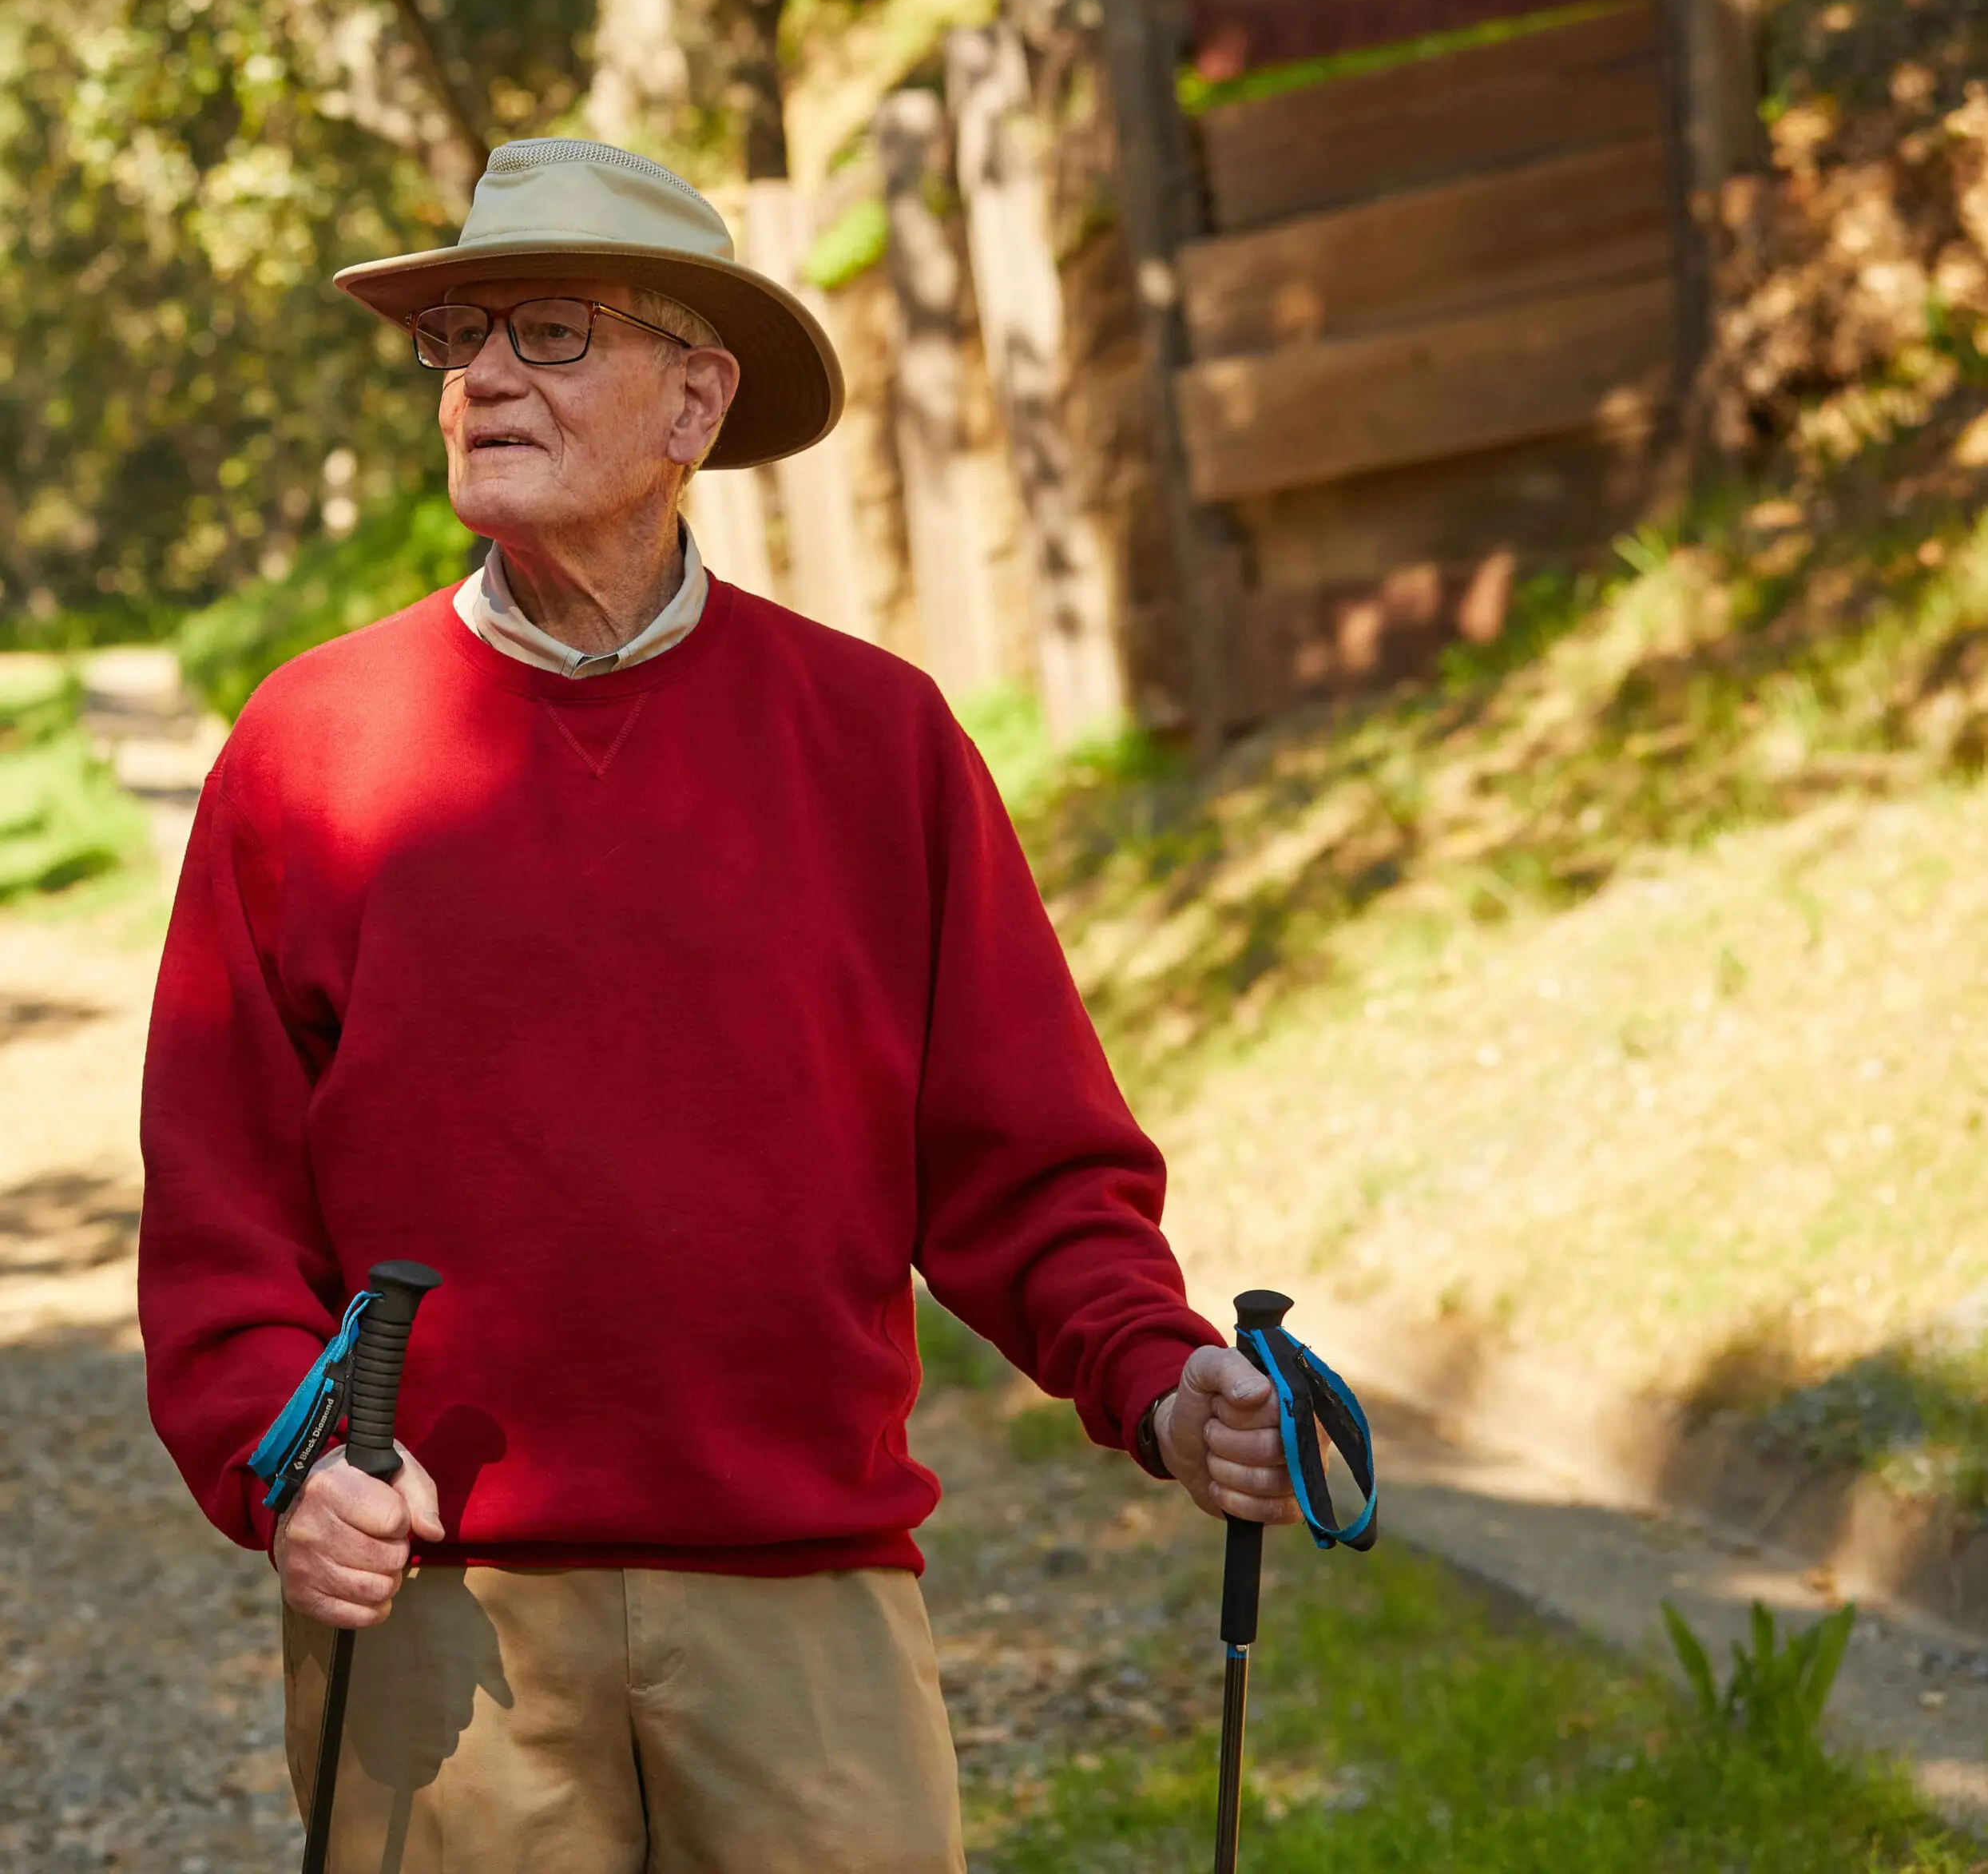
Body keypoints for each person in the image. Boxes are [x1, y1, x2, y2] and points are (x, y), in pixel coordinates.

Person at [138, 137, 1297, 1874]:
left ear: (695, 400)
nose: (480, 379)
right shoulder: (307, 748)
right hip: (445, 1613)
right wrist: (281, 1461)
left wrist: (1160, 1373)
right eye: (458, 339)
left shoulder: (876, 739)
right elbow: (220, 1206)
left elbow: (1025, 1166)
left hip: (809, 1602)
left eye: (545, 331)